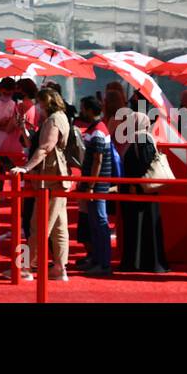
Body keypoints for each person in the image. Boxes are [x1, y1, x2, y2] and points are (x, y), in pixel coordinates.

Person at [11, 87, 73, 281]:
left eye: (39, 102)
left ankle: (26, 267)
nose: (36, 106)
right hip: (57, 177)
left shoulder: (53, 120)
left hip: (50, 178)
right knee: (59, 227)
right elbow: (38, 145)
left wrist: (26, 168)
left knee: (39, 225)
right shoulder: (57, 118)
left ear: (46, 103)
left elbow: (46, 147)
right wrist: (23, 128)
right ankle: (60, 268)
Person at [119, 110, 169, 273]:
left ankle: (139, 262)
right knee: (141, 226)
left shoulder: (142, 138)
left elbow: (145, 163)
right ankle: (142, 262)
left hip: (139, 191)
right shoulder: (140, 138)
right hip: (140, 191)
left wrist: (137, 184)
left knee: (140, 226)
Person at [76, 96, 115, 275]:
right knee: (95, 223)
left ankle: (104, 263)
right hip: (95, 183)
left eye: (83, 108)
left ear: (90, 110)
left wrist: (91, 185)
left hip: (97, 185)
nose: (81, 111)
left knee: (100, 223)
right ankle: (98, 260)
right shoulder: (97, 128)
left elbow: (97, 160)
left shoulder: (98, 130)